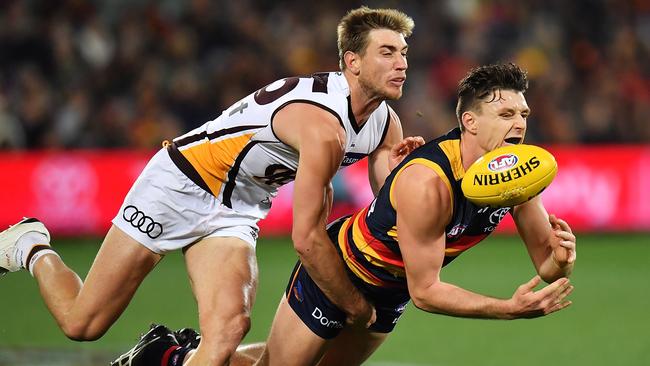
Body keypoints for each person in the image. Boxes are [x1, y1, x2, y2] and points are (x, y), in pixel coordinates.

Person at [0, 6, 423, 366]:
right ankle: (31, 246)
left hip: (239, 206)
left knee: (227, 332)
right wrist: (352, 304)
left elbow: (387, 200)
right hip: (181, 182)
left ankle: (168, 357)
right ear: (352, 61)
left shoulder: (385, 123)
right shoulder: (321, 123)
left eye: (403, 52)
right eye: (387, 52)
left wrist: (406, 171)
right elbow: (307, 239)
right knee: (82, 323)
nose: (401, 63)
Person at [121, 63, 577, 366]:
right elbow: (427, 291)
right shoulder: (429, 184)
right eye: (506, 112)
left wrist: (562, 257)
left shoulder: (512, 175)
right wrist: (507, 310)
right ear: (471, 122)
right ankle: (169, 358)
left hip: (388, 293)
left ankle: (172, 355)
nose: (519, 123)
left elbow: (546, 264)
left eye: (524, 112)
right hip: (339, 271)